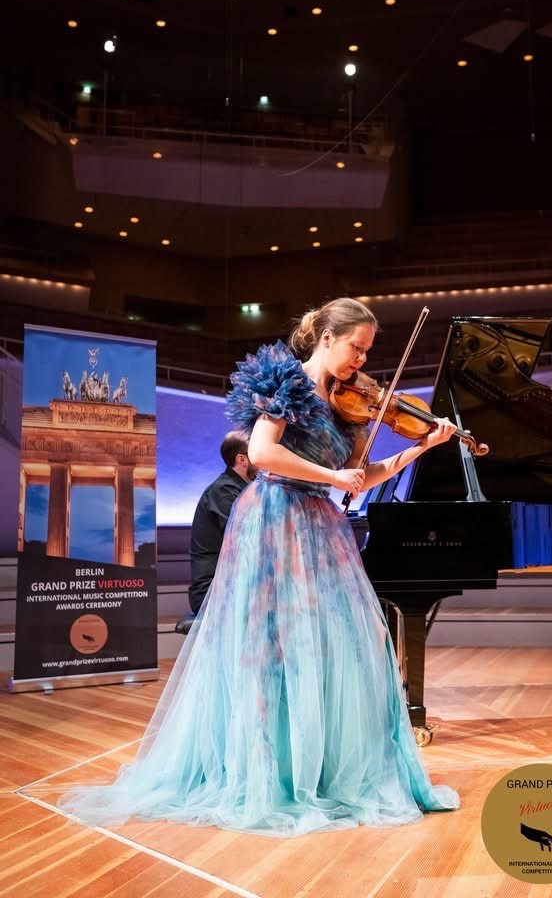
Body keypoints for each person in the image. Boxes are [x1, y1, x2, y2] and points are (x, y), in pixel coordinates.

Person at [59, 297, 460, 836]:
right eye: (356, 348)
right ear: (326, 338)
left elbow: (361, 477)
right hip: (274, 517)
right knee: (271, 647)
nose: (362, 362)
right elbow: (264, 453)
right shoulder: (284, 381)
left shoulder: (352, 408)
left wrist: (422, 448)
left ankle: (317, 770)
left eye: (367, 352)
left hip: (319, 526)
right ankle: (269, 773)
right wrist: (330, 478)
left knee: (328, 644)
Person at [189, 430, 256, 614]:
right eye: (257, 452)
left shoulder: (243, 489)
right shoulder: (223, 491)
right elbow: (244, 542)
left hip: (234, 582)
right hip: (212, 591)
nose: (263, 459)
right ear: (242, 459)